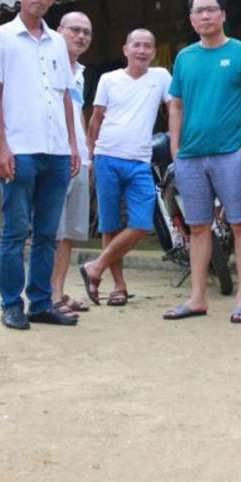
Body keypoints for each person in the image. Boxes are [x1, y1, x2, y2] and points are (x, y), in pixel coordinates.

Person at [0, 0, 82, 331]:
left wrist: (72, 143)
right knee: (14, 231)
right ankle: (11, 304)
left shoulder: (57, 41)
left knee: (46, 232)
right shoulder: (1, 37)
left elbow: (65, 94)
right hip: (19, 149)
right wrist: (1, 147)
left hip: (55, 150)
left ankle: (41, 303)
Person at [164, 0, 241, 323]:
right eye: (198, 11)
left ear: (223, 14)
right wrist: (176, 150)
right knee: (197, 228)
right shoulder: (184, 58)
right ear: (192, 19)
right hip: (191, 156)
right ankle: (197, 298)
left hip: (230, 154)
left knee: (240, 224)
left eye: (211, 10)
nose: (205, 16)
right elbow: (175, 105)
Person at [80, 29, 172, 303]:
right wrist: (90, 155)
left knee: (142, 224)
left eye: (147, 46)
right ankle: (118, 286)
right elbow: (96, 118)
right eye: (136, 45)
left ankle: (94, 267)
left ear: (154, 52)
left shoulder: (161, 77)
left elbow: (176, 107)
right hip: (107, 156)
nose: (141, 51)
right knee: (110, 225)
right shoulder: (109, 79)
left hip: (140, 160)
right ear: (125, 49)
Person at [52, 11, 94, 316]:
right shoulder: (44, 66)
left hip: (78, 158)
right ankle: (46, 295)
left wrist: (86, 152)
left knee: (68, 233)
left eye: (86, 33)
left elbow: (78, 113)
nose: (80, 36)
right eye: (74, 30)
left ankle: (58, 291)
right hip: (53, 155)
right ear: (59, 31)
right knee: (50, 231)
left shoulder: (79, 71)